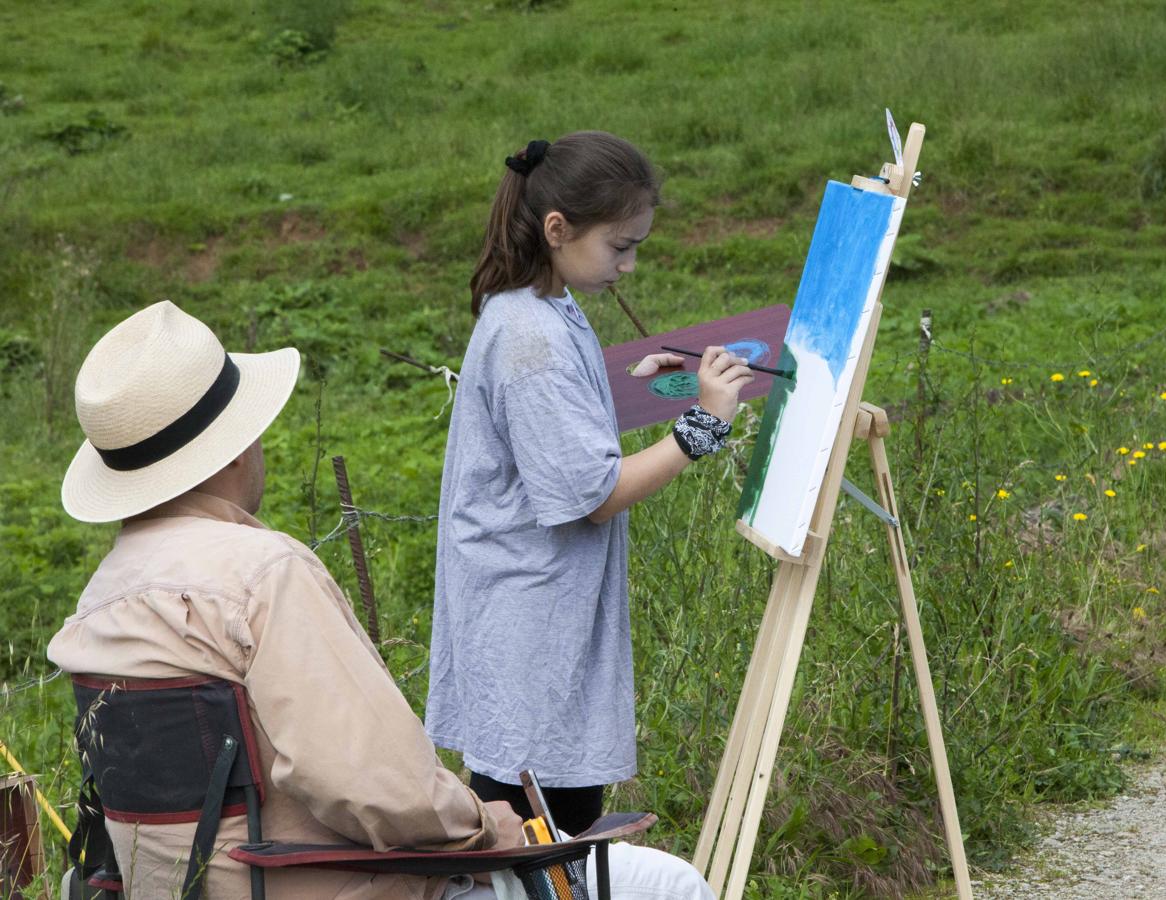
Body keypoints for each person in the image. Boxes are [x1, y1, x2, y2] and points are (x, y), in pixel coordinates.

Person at [48, 300, 712, 900]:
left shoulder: (101, 595)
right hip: (314, 885)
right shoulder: (260, 573)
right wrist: (491, 825)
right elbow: (380, 788)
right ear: (233, 452)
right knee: (668, 884)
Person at [426, 132, 754, 834]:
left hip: (532, 618)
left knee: (536, 830)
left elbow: (552, 422)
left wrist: (626, 376)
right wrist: (703, 427)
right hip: (531, 632)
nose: (630, 266)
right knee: (545, 840)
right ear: (557, 229)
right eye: (620, 246)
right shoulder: (531, 342)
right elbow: (594, 494)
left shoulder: (534, 304)